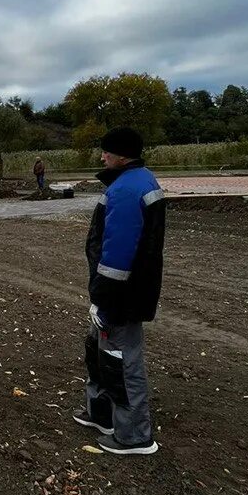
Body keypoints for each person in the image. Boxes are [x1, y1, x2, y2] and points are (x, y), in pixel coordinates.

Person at [76, 127, 165, 455]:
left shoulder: (128, 190)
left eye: (106, 151)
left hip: (122, 296)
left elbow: (117, 254)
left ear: (122, 154)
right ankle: (101, 415)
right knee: (99, 353)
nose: (102, 156)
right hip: (121, 292)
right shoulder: (135, 181)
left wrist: (102, 300)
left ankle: (133, 436)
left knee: (121, 360)